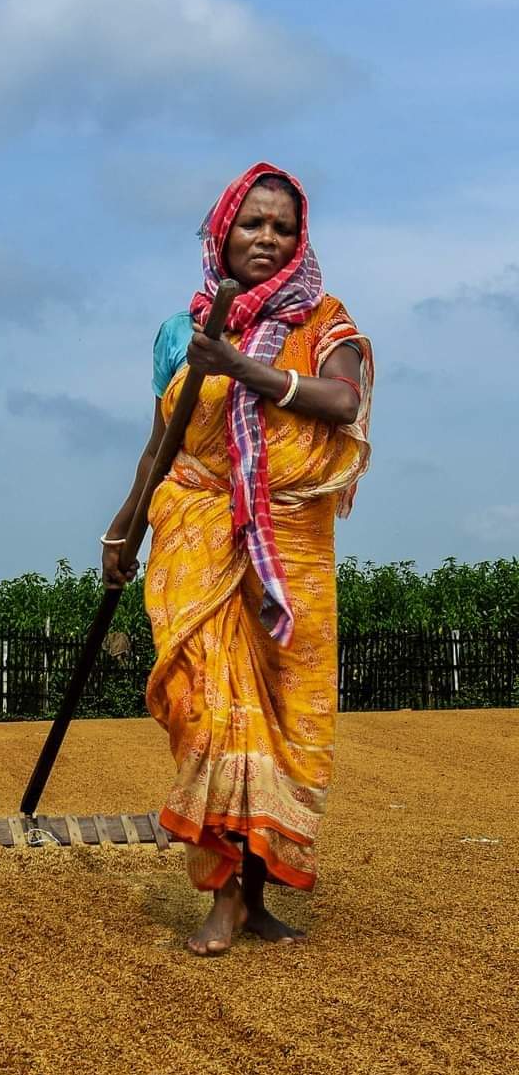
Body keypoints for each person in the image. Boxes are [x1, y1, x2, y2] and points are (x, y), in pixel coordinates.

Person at [101, 162, 374, 956]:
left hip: (287, 554)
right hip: (195, 535)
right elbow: (164, 438)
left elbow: (343, 400)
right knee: (206, 708)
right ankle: (220, 898)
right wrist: (123, 527)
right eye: (252, 223)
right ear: (223, 231)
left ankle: (252, 899)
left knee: (281, 723)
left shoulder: (326, 321)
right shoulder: (182, 334)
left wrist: (246, 369)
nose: (267, 237)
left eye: (282, 227)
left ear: (300, 239)